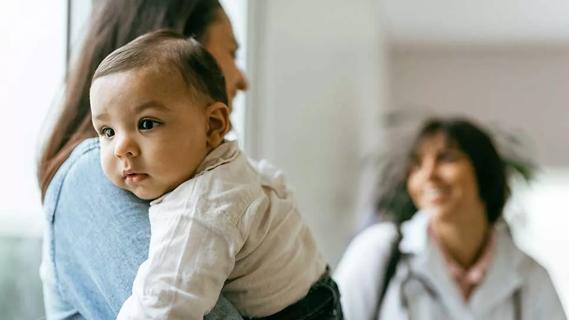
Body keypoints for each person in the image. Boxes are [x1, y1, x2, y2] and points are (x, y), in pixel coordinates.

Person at [90, 30, 341, 320]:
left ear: (212, 125)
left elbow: (163, 307)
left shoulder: (202, 207)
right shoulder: (231, 168)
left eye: (147, 124)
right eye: (107, 132)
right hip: (321, 298)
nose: (121, 148)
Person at [38, 1, 248, 319]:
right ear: (185, 52)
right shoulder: (93, 177)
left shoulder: (203, 180)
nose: (242, 79)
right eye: (231, 53)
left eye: (147, 125)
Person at [334, 118, 566, 319]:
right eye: (417, 164)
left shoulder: (529, 276)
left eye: (446, 158)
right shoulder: (380, 251)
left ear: (483, 171)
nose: (428, 175)